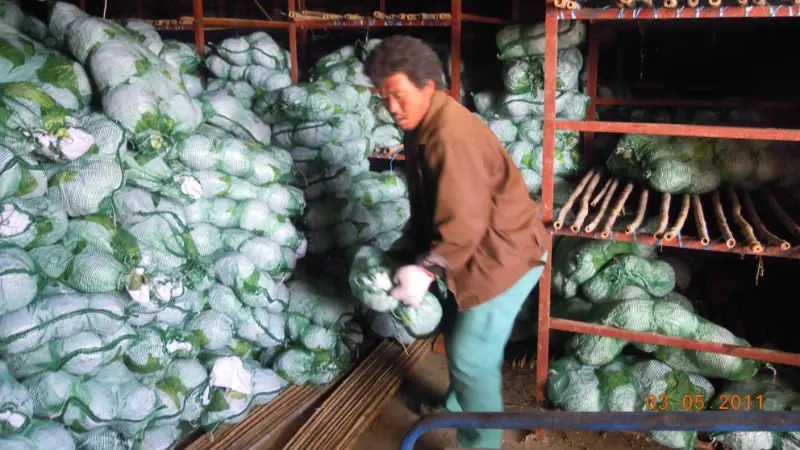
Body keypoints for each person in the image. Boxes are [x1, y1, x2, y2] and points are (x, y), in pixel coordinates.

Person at [365, 35, 550, 449]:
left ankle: (480, 441)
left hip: (504, 256)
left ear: (427, 86)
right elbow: (430, 205)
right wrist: (406, 252)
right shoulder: (422, 124)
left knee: (470, 354)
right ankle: (458, 403)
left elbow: (464, 223)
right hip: (476, 247)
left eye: (398, 95)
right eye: (383, 97)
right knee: (455, 326)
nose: (392, 107)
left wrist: (427, 267)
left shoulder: (452, 137)